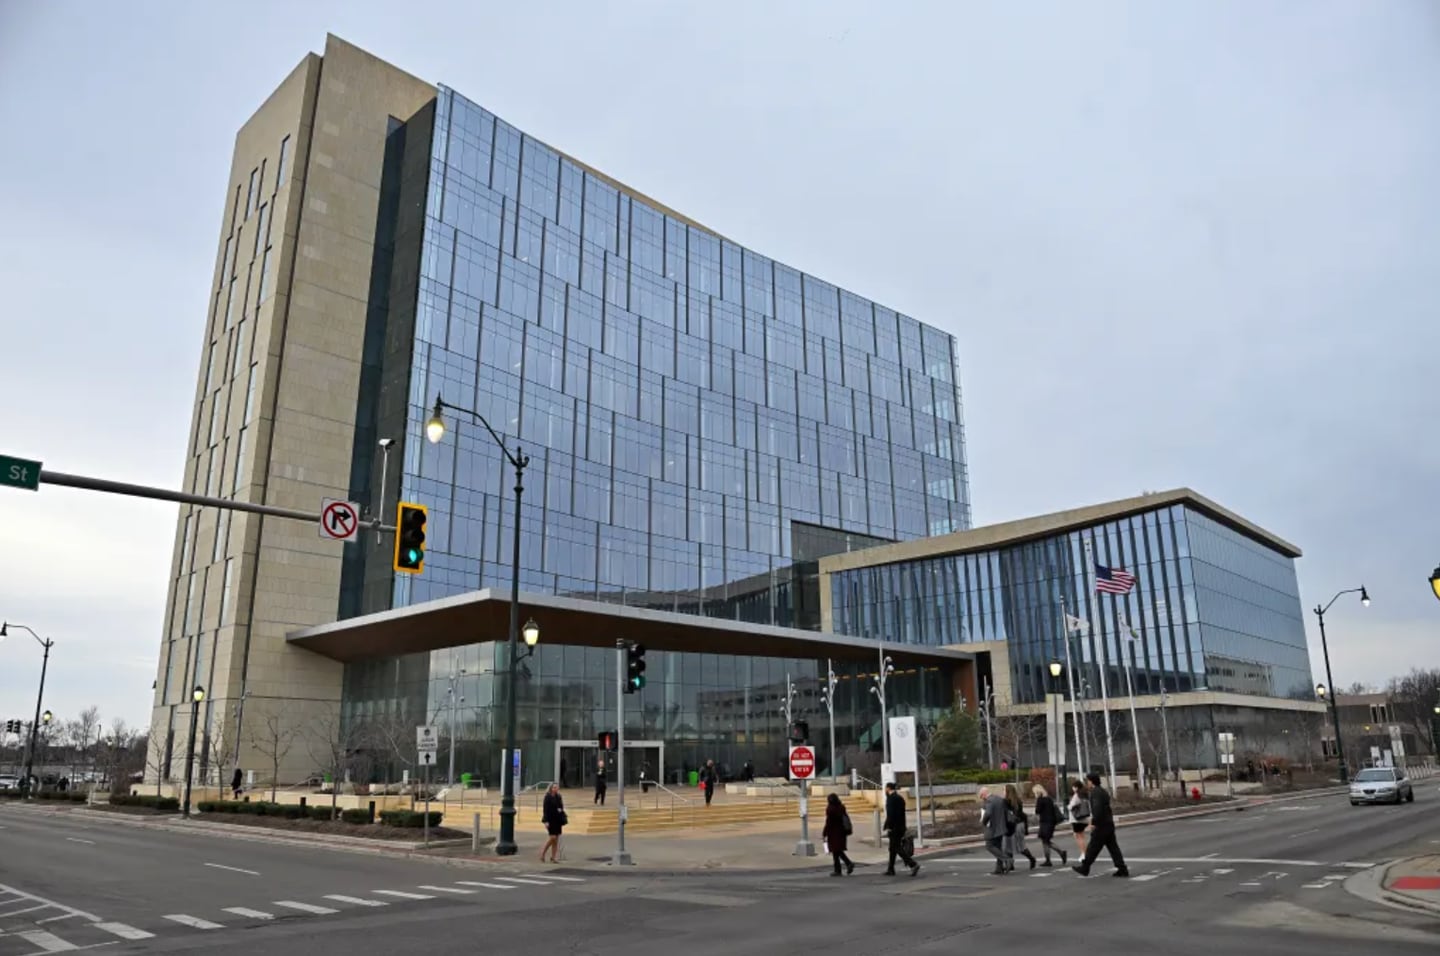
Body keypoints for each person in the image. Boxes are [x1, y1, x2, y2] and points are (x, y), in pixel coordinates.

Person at [1072, 772, 1128, 878]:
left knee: (1093, 847)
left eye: (1087, 781)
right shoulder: (1102, 791)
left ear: (1091, 781)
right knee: (1113, 848)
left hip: (1101, 825)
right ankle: (1122, 868)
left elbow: (1097, 810)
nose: (1086, 783)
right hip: (1108, 824)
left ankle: (1085, 867)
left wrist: (1093, 823)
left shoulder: (1096, 793)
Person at [883, 782, 920, 877]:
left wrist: (889, 827)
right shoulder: (900, 798)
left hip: (894, 828)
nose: (885, 790)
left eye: (885, 788)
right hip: (901, 826)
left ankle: (913, 864)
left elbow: (891, 815)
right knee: (892, 848)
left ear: (888, 788)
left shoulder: (891, 799)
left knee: (896, 847)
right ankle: (890, 869)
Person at [1032, 784, 1068, 867]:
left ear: (1037, 792)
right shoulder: (1049, 799)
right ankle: (1048, 859)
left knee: (1046, 841)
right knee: (1045, 841)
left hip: (1045, 822)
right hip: (1051, 822)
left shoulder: (1040, 800)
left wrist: (1037, 802)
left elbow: (1037, 811)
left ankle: (1061, 853)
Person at [1004, 783, 1038, 870]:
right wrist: (1026, 828)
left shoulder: (1006, 802)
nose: (1003, 792)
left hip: (1013, 825)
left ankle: (1031, 859)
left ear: (1007, 791)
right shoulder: (1018, 801)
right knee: (1014, 845)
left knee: (1011, 846)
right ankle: (1012, 864)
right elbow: (1023, 815)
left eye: (1004, 790)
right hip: (1020, 824)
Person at [978, 786, 1010, 875]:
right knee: (998, 847)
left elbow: (988, 813)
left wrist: (983, 822)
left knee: (989, 845)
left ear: (983, 794)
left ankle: (1006, 859)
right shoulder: (999, 799)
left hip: (992, 828)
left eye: (981, 796)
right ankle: (999, 868)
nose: (981, 799)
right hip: (1001, 827)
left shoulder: (989, 801)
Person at [821, 793, 854, 876]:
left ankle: (844, 865)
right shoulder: (841, 807)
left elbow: (828, 822)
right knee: (837, 851)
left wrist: (824, 833)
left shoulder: (830, 809)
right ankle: (841, 867)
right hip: (842, 832)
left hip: (833, 833)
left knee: (836, 850)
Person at [540, 783, 566, 863]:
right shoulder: (547, 797)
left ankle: (553, 857)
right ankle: (543, 853)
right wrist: (546, 821)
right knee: (552, 838)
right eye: (554, 787)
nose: (555, 789)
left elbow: (561, 806)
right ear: (551, 788)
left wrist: (560, 810)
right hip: (550, 819)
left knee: (556, 839)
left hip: (557, 819)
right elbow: (545, 810)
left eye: (557, 787)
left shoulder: (558, 796)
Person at [1067, 778, 1090, 858]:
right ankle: (1085, 852)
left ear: (1076, 787)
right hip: (1084, 819)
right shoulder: (1084, 795)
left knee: (1078, 837)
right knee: (1081, 836)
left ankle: (1083, 853)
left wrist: (1068, 806)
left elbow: (1071, 806)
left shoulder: (1076, 795)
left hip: (1077, 819)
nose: (1073, 788)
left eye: (1073, 787)